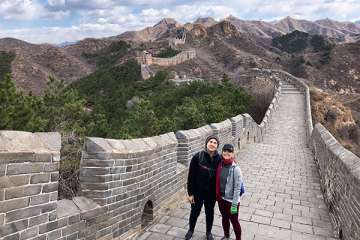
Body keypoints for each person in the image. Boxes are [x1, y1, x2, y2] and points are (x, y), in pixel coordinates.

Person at [185, 135, 221, 240]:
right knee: (195, 211)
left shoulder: (219, 159)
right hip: (198, 191)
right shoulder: (197, 157)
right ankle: (191, 230)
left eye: (215, 142)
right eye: (210, 141)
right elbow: (191, 176)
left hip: (211, 193)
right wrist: (190, 194)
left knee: (209, 212)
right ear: (206, 143)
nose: (212, 144)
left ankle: (208, 232)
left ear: (217, 146)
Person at [216, 144, 244, 240]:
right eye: (225, 151)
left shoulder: (236, 169)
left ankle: (238, 238)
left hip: (232, 201)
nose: (227, 153)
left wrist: (234, 205)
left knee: (234, 221)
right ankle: (226, 235)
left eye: (229, 151)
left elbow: (237, 188)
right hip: (221, 199)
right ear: (222, 152)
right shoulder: (220, 164)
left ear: (233, 154)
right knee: (224, 218)